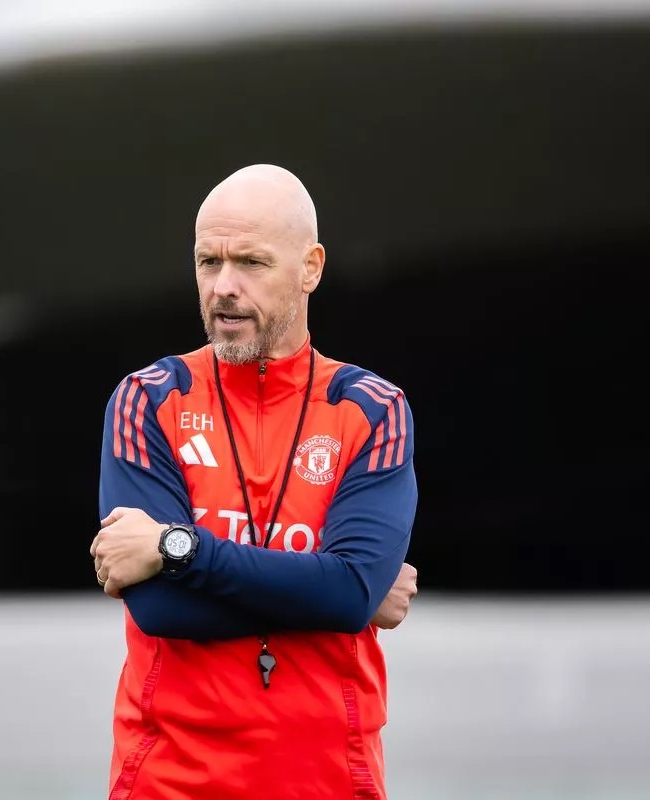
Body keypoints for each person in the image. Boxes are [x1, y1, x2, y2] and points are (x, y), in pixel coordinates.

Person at [89, 164, 419, 800]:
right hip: (171, 781)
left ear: (310, 268)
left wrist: (176, 549)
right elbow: (162, 609)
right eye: (208, 262)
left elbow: (348, 596)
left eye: (250, 263)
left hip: (329, 783)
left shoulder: (374, 410)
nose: (224, 287)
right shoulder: (147, 400)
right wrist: (326, 589)